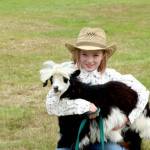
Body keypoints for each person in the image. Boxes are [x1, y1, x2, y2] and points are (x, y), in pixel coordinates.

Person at [45, 27, 149, 150]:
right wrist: (84, 106)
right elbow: (51, 105)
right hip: (72, 139)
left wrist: (128, 119)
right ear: (77, 53)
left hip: (102, 139)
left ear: (103, 56)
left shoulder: (111, 75)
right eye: (84, 54)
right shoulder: (65, 75)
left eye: (95, 55)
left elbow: (143, 94)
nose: (90, 60)